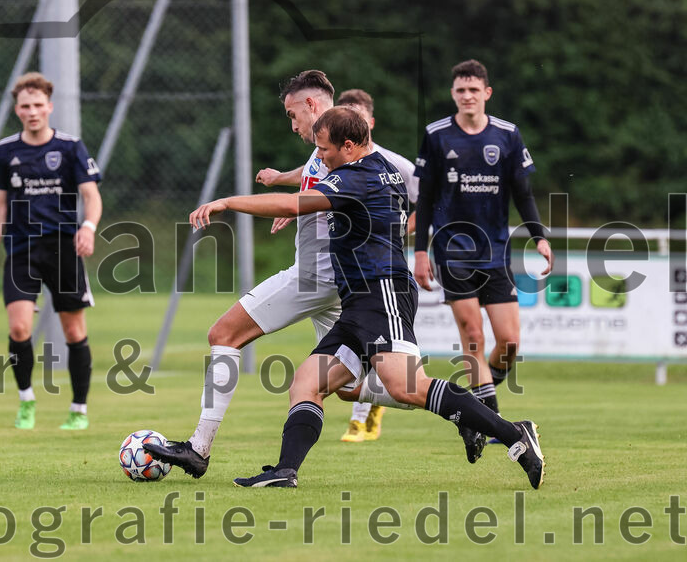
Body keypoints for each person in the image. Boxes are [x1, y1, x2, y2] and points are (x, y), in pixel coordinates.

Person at [187, 106, 545, 489]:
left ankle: (513, 433)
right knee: (308, 383)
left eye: (324, 150)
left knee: (405, 385)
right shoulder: (373, 165)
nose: (320, 158)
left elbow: (295, 202)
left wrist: (228, 202)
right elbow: (313, 197)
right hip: (357, 301)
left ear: (348, 145)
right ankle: (285, 471)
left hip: (382, 292)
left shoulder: (361, 176)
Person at [146, 71, 412, 479]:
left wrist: (232, 203)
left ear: (311, 106)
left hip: (316, 277)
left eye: (292, 115)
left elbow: (317, 199)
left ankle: (198, 448)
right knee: (345, 386)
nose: (293, 125)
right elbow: (311, 187)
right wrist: (282, 182)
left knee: (223, 334)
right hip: (342, 284)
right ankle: (457, 407)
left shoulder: (348, 149)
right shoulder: (326, 146)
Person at [413, 60, 553, 461]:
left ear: (487, 93)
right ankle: (492, 421)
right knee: (472, 336)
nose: (467, 96)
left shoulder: (507, 135)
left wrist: (539, 237)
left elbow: (523, 193)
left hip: (495, 251)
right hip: (451, 251)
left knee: (509, 342)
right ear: (453, 94)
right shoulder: (437, 136)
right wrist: (421, 251)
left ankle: (474, 413)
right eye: (460, 90)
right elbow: (424, 199)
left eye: (474, 90)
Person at [0, 72, 102, 431]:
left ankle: (78, 409)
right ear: (17, 110)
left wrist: (88, 228)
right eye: (24, 106)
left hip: (63, 248)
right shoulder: (5, 151)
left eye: (37, 105)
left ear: (49, 107)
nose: (32, 111)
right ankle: (26, 402)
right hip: (21, 249)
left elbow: (91, 196)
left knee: (74, 332)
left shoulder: (69, 147)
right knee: (18, 328)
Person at [334, 88, 419, 443]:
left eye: (357, 114)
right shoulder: (334, 159)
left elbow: (427, 201)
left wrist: (400, 232)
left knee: (388, 357)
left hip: (384, 269)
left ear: (370, 122)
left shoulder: (392, 163)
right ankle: (370, 406)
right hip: (351, 272)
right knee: (361, 358)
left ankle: (362, 420)